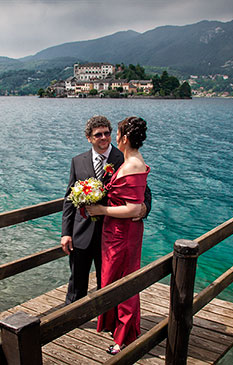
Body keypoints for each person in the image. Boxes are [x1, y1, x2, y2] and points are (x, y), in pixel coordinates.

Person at [61, 115, 151, 305]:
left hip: (110, 235)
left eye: (107, 133)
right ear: (89, 138)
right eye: (98, 135)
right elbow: (69, 199)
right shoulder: (78, 161)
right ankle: (70, 320)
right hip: (81, 233)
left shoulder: (123, 158)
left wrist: (144, 209)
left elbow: (144, 189)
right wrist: (66, 233)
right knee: (76, 283)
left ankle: (106, 320)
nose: (104, 138)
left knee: (108, 283)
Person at [85, 116, 149, 355]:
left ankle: (124, 337)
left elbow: (133, 208)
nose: (114, 138)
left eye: (117, 132)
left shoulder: (133, 164)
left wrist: (101, 210)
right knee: (113, 279)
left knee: (125, 282)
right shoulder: (129, 160)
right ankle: (117, 327)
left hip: (123, 234)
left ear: (124, 137)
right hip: (115, 233)